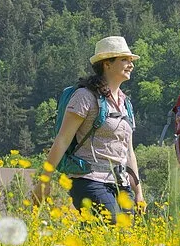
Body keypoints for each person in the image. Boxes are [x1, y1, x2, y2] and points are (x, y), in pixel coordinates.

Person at [34, 36, 143, 222]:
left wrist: (138, 192)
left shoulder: (126, 103)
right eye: (124, 59)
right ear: (106, 64)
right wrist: (44, 181)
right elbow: (62, 139)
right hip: (88, 179)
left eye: (131, 60)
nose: (130, 64)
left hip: (120, 182)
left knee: (124, 238)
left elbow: (129, 152)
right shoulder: (85, 97)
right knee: (113, 224)